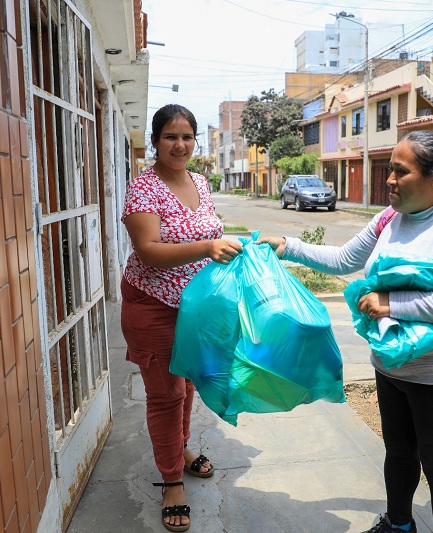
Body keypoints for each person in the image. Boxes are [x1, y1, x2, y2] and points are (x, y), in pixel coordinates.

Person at [258, 131, 433, 533]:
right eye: (390, 170)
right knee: (399, 453)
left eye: (400, 172)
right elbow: (344, 258)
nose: (389, 180)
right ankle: (399, 524)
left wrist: (393, 304)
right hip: (389, 365)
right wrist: (287, 245)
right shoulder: (389, 218)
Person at [120, 104, 242, 532]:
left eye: (188, 136)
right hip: (152, 303)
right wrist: (207, 249)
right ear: (155, 141)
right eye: (171, 136)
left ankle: (182, 449)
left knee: (188, 381)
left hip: (194, 306)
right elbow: (148, 251)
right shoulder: (144, 188)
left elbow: (208, 233)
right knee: (166, 393)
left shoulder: (201, 182)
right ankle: (172, 479)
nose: (181, 145)